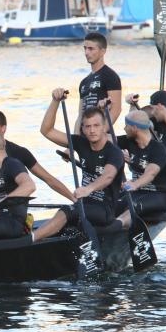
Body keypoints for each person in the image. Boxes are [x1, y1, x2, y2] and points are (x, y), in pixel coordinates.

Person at [0, 110, 74, 228]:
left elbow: (48, 179)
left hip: (9, 210)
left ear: (3, 128)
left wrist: (74, 199)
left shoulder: (19, 153)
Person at [35, 92, 124, 241]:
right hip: (84, 204)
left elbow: (108, 176)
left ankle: (30, 239)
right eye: (87, 126)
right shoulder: (80, 143)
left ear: (104, 127)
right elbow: (47, 131)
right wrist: (55, 101)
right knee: (65, 223)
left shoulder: (114, 152)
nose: (92, 130)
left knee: (67, 211)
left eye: (96, 126)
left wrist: (88, 189)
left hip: (105, 209)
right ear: (82, 128)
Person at [116, 110, 166, 222]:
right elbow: (105, 139)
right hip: (137, 192)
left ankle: (116, 226)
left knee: (133, 208)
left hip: (157, 195)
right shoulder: (129, 141)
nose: (124, 128)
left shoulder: (159, 150)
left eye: (127, 125)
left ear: (135, 128)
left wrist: (135, 184)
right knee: (112, 205)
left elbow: (150, 174)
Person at [77, 32, 122, 126]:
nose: (86, 53)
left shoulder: (110, 76)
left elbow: (116, 110)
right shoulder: (84, 82)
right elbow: (80, 116)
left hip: (100, 136)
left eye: (91, 49)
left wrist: (101, 133)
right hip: (84, 134)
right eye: (85, 48)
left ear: (103, 51)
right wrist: (76, 138)